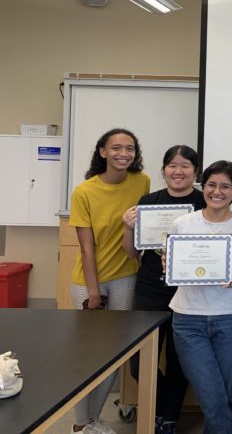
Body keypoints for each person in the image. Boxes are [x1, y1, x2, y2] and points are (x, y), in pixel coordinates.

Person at [69, 128, 150, 434]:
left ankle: (94, 420)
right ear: (103, 151)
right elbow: (86, 247)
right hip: (88, 281)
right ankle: (80, 422)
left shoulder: (141, 182)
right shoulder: (84, 191)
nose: (123, 154)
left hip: (126, 277)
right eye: (116, 148)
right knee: (89, 355)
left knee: (114, 355)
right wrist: (92, 293)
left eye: (129, 148)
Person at [168, 160, 232, 434]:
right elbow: (169, 263)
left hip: (230, 318)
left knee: (222, 393)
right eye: (211, 185)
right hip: (188, 318)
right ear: (203, 187)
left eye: (225, 186)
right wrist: (169, 264)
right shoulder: (182, 223)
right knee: (211, 393)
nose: (217, 191)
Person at [121, 145, 204, 434]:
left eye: (185, 166)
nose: (178, 171)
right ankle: (159, 408)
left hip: (188, 290)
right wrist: (128, 227)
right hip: (149, 289)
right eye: (172, 165)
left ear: (195, 171)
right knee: (137, 362)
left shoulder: (204, 201)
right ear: (164, 169)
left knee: (181, 359)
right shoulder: (149, 200)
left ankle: (169, 417)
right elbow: (132, 252)